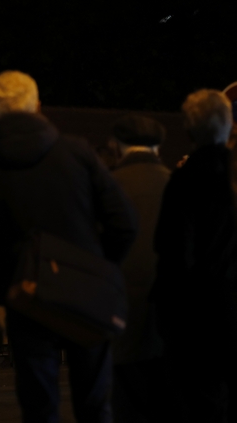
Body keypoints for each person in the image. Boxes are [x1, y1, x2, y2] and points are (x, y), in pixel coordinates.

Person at [0, 71, 136, 423]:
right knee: (95, 406)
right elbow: (124, 222)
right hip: (86, 293)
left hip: (27, 298)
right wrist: (99, 270)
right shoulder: (77, 152)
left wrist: (8, 289)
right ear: (38, 106)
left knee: (39, 408)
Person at [152, 89, 237, 423]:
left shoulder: (184, 181)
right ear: (228, 125)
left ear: (188, 129)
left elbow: (174, 253)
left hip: (200, 315)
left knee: (203, 403)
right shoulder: (231, 174)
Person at [108, 115, 169, 423]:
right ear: (158, 147)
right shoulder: (174, 182)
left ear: (118, 146)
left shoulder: (109, 186)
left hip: (120, 312)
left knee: (126, 404)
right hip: (168, 313)